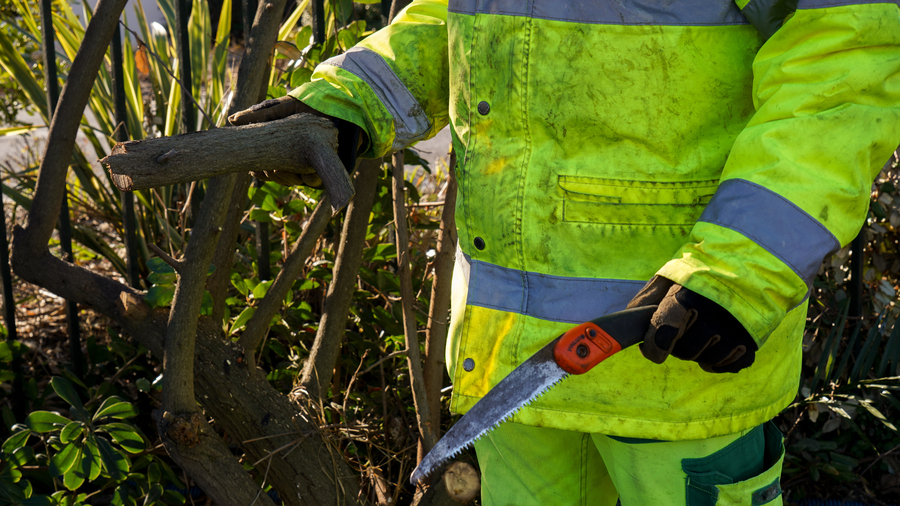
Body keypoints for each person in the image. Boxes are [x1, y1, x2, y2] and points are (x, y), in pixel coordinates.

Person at [230, 1, 900, 504]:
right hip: (519, 361)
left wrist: (739, 271)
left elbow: (841, 78)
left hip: (677, 358)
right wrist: (352, 100)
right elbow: (467, 16)